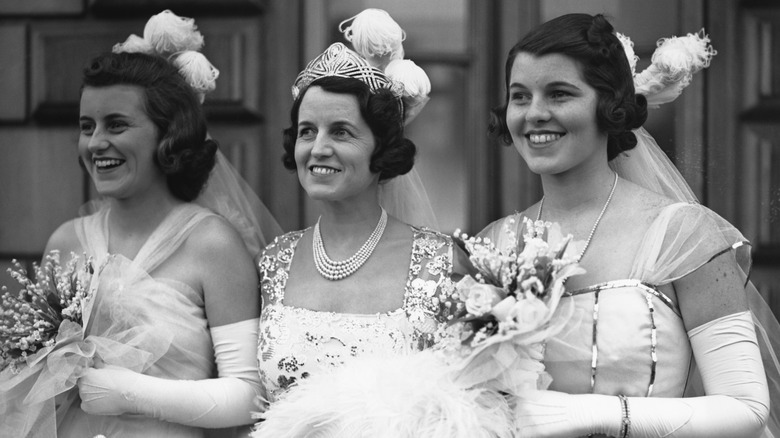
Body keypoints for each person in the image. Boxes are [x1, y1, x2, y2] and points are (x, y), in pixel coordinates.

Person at [480, 13, 780, 438]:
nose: (535, 114)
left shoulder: (682, 234)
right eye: (520, 96)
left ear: (609, 106)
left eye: (559, 94)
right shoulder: (492, 244)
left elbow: (747, 407)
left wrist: (599, 414)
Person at [27, 10, 280, 438]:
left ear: (169, 135)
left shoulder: (212, 245)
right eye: (87, 127)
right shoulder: (64, 241)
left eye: (117, 125)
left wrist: (134, 394)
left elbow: (250, 394)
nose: (96, 143)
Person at [251, 10, 472, 435]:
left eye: (341, 132)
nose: (318, 148)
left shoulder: (441, 262)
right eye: (306, 131)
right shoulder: (273, 261)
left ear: (381, 150)